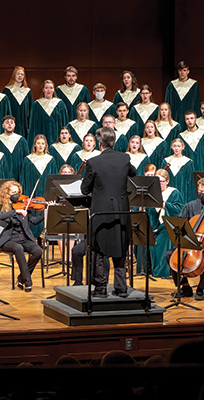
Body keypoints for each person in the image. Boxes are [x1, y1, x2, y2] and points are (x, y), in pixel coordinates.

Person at [80, 126, 136, 296]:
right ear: (114, 141)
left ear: (100, 143)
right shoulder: (124, 158)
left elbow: (84, 189)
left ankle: (101, 287)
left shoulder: (93, 162)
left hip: (101, 212)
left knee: (98, 249)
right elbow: (133, 173)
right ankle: (121, 288)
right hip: (121, 211)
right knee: (120, 247)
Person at [0, 181, 45, 292]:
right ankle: (28, 281)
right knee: (18, 248)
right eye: (13, 192)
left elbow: (35, 221)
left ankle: (21, 278)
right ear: (6, 193)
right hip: (8, 240)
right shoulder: (2, 208)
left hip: (24, 238)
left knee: (38, 251)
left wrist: (46, 211)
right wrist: (15, 211)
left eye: (18, 192)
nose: (16, 195)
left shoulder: (24, 206)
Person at [145, 168, 184, 279]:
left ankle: (162, 271)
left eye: (161, 181)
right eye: (157, 181)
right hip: (155, 225)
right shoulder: (152, 193)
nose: (159, 184)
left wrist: (164, 205)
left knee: (163, 240)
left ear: (167, 181)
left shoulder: (173, 192)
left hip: (169, 225)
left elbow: (179, 209)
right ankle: (150, 269)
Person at [20, 135, 58, 238]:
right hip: (32, 190)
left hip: (46, 191)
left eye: (43, 143)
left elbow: (54, 180)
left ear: (46, 145)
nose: (40, 146)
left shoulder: (51, 160)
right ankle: (32, 237)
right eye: (38, 143)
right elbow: (24, 179)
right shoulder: (28, 159)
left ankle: (45, 236)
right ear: (34, 145)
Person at [165, 60, 201, 130]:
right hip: (175, 116)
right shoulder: (172, 85)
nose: (182, 72)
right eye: (180, 70)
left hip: (189, 118)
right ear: (178, 71)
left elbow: (196, 103)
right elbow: (167, 102)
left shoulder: (194, 85)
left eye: (184, 70)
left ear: (188, 71)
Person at [0, 115, 30, 180]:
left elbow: (26, 158)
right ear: (3, 125)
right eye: (7, 122)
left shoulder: (21, 140)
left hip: (19, 173)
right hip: (3, 173)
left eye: (12, 122)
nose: (9, 124)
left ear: (14, 125)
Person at [2, 66, 32, 136]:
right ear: (14, 75)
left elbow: (30, 110)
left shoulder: (27, 91)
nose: (20, 76)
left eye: (22, 74)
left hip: (24, 124)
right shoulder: (7, 91)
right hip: (10, 123)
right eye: (18, 74)